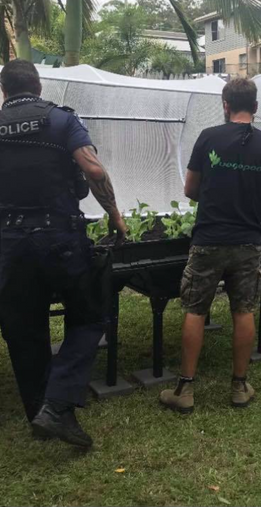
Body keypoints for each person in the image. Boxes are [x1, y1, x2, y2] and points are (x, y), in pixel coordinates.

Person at [0, 59, 127, 447]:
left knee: (23, 331)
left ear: (4, 91)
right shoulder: (61, 120)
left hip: (7, 244)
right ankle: (55, 409)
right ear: (38, 86)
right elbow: (95, 171)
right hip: (58, 238)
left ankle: (41, 411)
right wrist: (116, 216)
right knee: (89, 316)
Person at [159, 78, 261, 414]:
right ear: (255, 107)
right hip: (248, 240)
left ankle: (185, 389)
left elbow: (189, 189)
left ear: (225, 106)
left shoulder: (209, 138)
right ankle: (240, 387)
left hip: (209, 239)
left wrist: (216, 196)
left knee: (195, 310)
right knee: (243, 310)